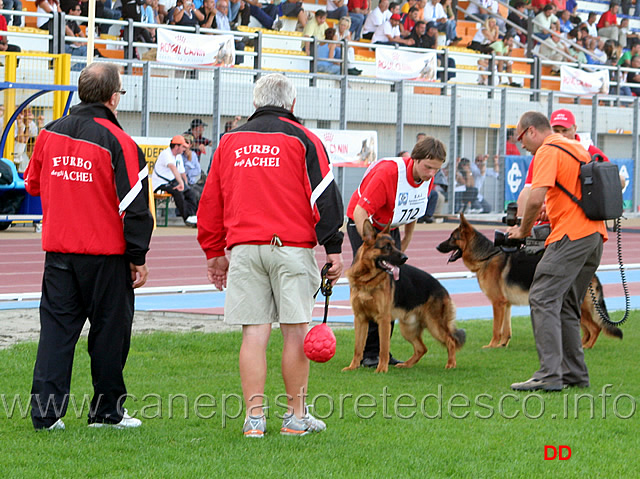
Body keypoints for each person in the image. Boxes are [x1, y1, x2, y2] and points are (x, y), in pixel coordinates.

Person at [197, 73, 344, 438]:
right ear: (292, 104)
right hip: (291, 246)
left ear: (254, 102)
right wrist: (335, 249)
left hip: (245, 248)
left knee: (254, 333)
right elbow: (324, 195)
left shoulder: (229, 141)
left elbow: (211, 201)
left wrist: (214, 252)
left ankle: (254, 420)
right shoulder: (305, 139)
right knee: (295, 332)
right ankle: (295, 417)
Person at [25, 62, 154, 430]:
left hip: (59, 253)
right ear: (114, 98)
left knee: (56, 334)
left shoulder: (49, 134)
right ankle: (106, 413)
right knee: (110, 336)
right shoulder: (121, 141)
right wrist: (138, 257)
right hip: (105, 257)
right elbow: (137, 208)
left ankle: (46, 417)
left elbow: (32, 185)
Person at [507, 111, 607, 391]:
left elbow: (536, 195)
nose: (521, 145)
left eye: (519, 138)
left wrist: (523, 230)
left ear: (531, 131)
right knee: (565, 304)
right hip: (594, 236)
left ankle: (549, 375)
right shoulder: (576, 146)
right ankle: (575, 374)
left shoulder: (548, 151)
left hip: (570, 236)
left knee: (541, 296)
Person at [346, 136, 446, 368]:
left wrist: (404, 245)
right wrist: (369, 244)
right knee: (369, 284)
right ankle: (368, 355)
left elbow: (414, 210)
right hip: (365, 225)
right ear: (414, 159)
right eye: (428, 167)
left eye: (437, 169)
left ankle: (383, 355)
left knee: (390, 283)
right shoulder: (387, 175)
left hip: (391, 226)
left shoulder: (427, 179)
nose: (432, 174)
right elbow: (360, 212)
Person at [151, 135, 199, 225]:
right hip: (160, 184)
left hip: (172, 183)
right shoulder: (166, 154)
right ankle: (187, 218)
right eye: (183, 147)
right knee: (178, 192)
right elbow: (173, 168)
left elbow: (182, 172)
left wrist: (185, 185)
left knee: (191, 193)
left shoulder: (178, 156)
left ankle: (193, 216)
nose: (184, 149)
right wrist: (181, 183)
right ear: (176, 146)